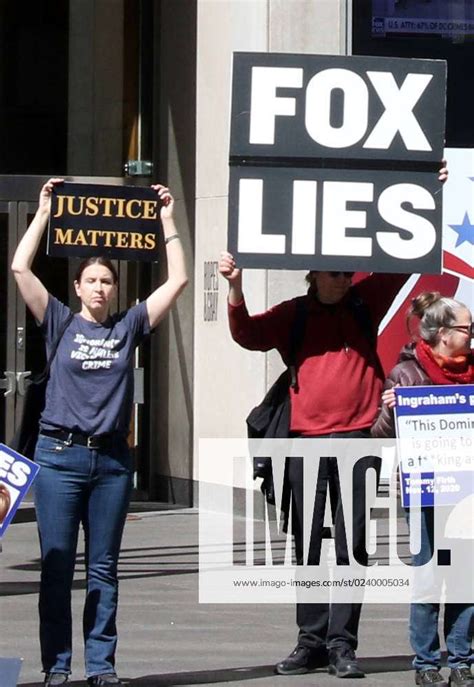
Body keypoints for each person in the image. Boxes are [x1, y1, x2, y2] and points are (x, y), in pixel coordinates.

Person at [218, 164, 448, 679]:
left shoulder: (365, 302)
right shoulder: (294, 313)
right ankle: (310, 641)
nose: (344, 279)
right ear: (314, 274)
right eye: (335, 273)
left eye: (348, 273)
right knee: (310, 545)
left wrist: (432, 190)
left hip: (357, 440)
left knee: (351, 545)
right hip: (303, 443)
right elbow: (247, 334)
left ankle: (344, 644)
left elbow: (401, 258)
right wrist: (235, 286)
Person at [11, 178, 188, 687]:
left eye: (106, 281)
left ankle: (103, 668)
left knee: (104, 571)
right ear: (77, 287)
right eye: (91, 280)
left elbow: (175, 281)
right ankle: (58, 668)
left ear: (114, 289)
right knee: (56, 568)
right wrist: (43, 212)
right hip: (59, 458)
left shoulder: (128, 326)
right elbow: (20, 267)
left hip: (111, 464)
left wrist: (168, 220)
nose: (98, 288)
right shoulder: (59, 322)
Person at [372, 292, 473, 687]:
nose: (471, 334)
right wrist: (391, 409)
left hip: (465, 492)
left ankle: (462, 658)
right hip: (425, 491)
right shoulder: (406, 374)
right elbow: (379, 434)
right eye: (467, 328)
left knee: (465, 576)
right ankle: (426, 663)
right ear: (444, 333)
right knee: (428, 575)